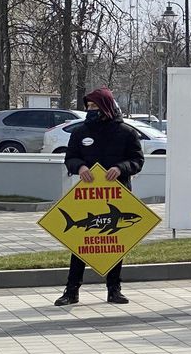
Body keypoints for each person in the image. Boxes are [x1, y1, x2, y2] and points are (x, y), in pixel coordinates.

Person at [54, 88, 144, 307]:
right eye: (88, 106)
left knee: (114, 243)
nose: (91, 110)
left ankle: (114, 290)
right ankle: (71, 291)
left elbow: (137, 160)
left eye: (95, 106)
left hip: (117, 196)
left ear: (106, 107)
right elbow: (70, 158)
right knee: (81, 242)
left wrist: (121, 168)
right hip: (88, 197)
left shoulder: (127, 133)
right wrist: (80, 167)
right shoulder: (80, 132)